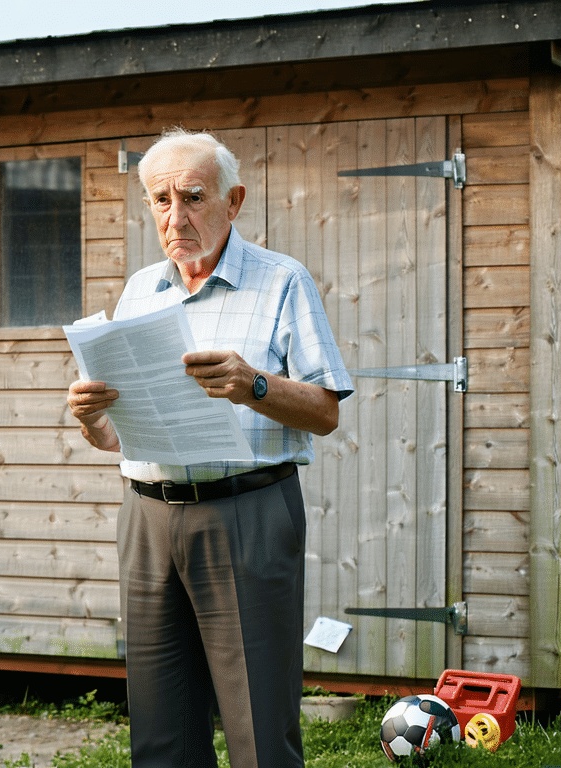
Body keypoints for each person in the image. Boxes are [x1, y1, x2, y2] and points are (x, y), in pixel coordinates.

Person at [67, 127, 353, 768]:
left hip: (244, 512)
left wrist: (252, 384)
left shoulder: (281, 281)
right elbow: (122, 432)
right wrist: (92, 422)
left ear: (234, 200)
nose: (176, 217)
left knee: (257, 726)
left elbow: (326, 411)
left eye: (192, 197)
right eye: (160, 201)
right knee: (160, 730)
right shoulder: (142, 289)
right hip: (146, 515)